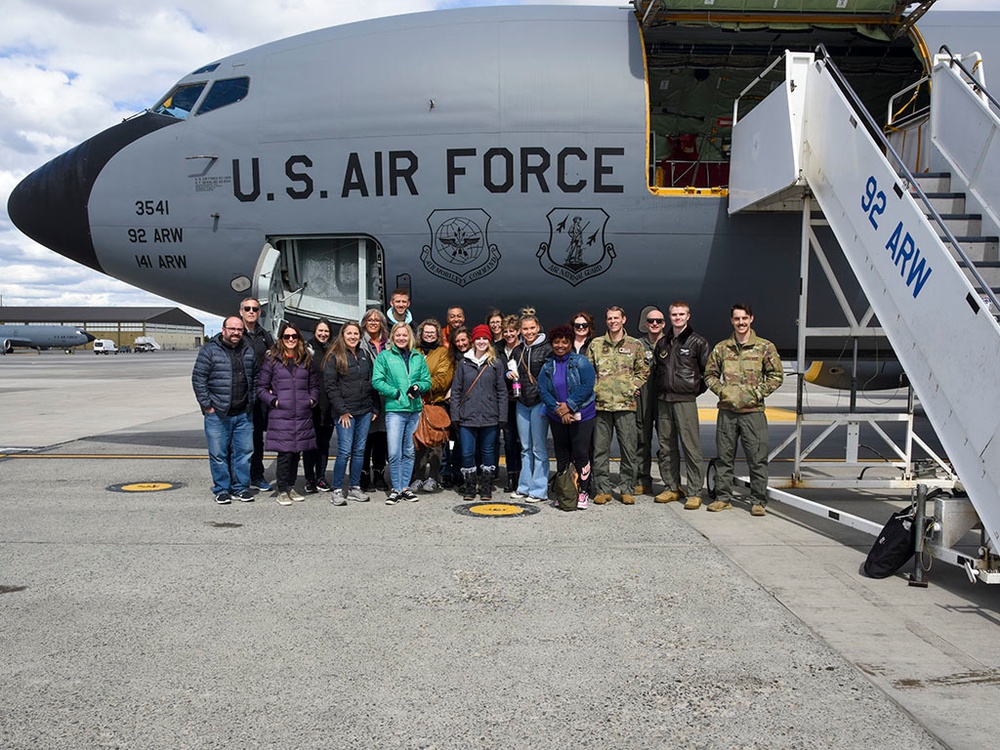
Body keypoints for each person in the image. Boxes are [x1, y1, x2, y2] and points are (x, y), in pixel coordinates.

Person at [704, 303, 784, 516]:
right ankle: (723, 498)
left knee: (757, 459)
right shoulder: (722, 348)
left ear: (751, 319)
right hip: (727, 412)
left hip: (753, 412)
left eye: (744, 318)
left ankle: (758, 501)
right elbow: (710, 374)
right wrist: (722, 392)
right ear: (732, 321)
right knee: (724, 458)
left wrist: (757, 394)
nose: (740, 322)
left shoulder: (765, 347)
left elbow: (776, 376)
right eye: (737, 319)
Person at [191, 315, 258, 504]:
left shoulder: (248, 350)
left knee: (244, 453)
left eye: (239, 329)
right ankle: (221, 489)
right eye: (232, 329)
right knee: (218, 454)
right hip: (218, 413)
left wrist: (250, 402)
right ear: (224, 330)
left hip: (243, 413)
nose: (236, 333)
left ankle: (240, 488)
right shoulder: (210, 351)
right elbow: (198, 379)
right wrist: (207, 406)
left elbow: (255, 378)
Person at [650, 302, 710, 510]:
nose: (677, 317)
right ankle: (672, 487)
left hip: (685, 401)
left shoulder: (698, 342)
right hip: (664, 400)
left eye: (681, 314)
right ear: (670, 317)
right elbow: (658, 370)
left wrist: (693, 390)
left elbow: (707, 373)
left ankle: (694, 492)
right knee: (666, 447)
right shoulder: (663, 343)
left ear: (688, 316)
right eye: (674, 314)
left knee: (690, 446)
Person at [587, 306, 649, 505]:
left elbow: (643, 370)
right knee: (600, 450)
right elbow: (588, 372)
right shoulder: (596, 345)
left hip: (626, 405)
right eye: (609, 318)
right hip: (601, 405)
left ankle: (626, 488)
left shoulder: (635, 345)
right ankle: (602, 489)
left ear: (624, 319)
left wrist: (632, 386)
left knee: (628, 449)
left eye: (616, 318)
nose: (613, 321)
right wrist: (595, 389)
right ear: (606, 321)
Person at [256, 322, 319, 506]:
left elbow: (314, 386)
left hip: (301, 414)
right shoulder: (273, 360)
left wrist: (311, 401)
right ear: (281, 339)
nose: (290, 339)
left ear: (299, 339)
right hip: (281, 415)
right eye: (287, 337)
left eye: (294, 336)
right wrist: (274, 401)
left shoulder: (305, 359)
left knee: (296, 452)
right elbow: (261, 387)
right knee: (284, 454)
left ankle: (290, 486)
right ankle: (282, 490)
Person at [371, 322, 431, 505]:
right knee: (394, 451)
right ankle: (395, 488)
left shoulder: (418, 357)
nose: (401, 338)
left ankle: (405, 487)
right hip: (395, 410)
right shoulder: (385, 357)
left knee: (409, 451)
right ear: (392, 337)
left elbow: (427, 381)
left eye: (404, 335)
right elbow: (377, 381)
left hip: (414, 410)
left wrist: (418, 386)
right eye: (398, 335)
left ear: (410, 337)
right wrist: (395, 392)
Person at [539, 325, 596, 510]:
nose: (560, 345)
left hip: (582, 415)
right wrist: (559, 411)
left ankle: (583, 491)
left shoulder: (581, 362)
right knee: (562, 455)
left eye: (565, 342)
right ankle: (566, 491)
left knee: (580, 453)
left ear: (571, 343)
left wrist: (569, 406)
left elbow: (587, 385)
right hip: (558, 417)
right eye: (557, 342)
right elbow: (543, 390)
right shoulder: (548, 366)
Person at [450, 324, 507, 501]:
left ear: (489, 341)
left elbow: (502, 391)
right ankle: (469, 485)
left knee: (488, 451)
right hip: (468, 415)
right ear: (473, 341)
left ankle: (486, 486)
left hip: (490, 415)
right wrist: (455, 416)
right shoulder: (463, 363)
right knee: (467, 452)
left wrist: (502, 416)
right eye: (478, 338)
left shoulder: (495, 363)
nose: (481, 341)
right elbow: (456, 391)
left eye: (484, 338)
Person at [323, 320, 375, 505]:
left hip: (365, 411)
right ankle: (337, 489)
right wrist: (342, 411)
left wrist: (374, 407)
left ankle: (354, 487)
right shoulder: (335, 356)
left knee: (359, 451)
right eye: (349, 334)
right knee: (344, 451)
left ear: (360, 336)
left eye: (355, 334)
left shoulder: (363, 355)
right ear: (343, 335)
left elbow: (371, 382)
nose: (353, 337)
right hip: (346, 413)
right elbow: (331, 387)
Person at [508, 309, 553, 503]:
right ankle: (524, 486)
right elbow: (513, 371)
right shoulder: (517, 350)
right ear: (520, 330)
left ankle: (539, 489)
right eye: (525, 329)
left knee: (539, 448)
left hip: (539, 402)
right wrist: (509, 375)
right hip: (522, 402)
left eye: (532, 328)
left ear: (538, 328)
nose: (528, 332)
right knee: (525, 447)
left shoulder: (547, 348)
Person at [412, 318, 453, 492]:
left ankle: (433, 477)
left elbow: (443, 379)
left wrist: (421, 386)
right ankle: (418, 477)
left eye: (432, 332)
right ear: (420, 333)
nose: (429, 335)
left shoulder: (443, 353)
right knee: (418, 442)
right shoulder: (414, 351)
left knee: (436, 442)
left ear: (437, 335)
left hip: (435, 403)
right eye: (426, 332)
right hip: (415, 404)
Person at [240, 297, 275, 491]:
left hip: (260, 396)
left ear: (259, 312)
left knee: (256, 439)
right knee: (240, 440)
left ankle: (257, 475)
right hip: (242, 395)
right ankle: (239, 478)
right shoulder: (237, 334)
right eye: (248, 308)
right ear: (241, 312)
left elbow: (272, 361)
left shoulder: (265, 336)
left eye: (255, 309)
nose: (251, 311)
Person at [634, 305, 665, 496]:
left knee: (666, 441)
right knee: (641, 440)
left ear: (663, 324)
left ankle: (671, 482)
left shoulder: (671, 344)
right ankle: (642, 480)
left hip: (663, 398)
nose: (654, 324)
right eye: (651, 321)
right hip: (643, 398)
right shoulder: (637, 345)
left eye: (658, 321)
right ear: (645, 324)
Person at [303, 319, 334, 494]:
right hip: (311, 405)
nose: (323, 334)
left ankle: (321, 477)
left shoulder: (332, 351)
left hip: (328, 406)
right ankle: (309, 479)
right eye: (320, 331)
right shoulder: (308, 351)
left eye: (326, 331)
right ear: (315, 332)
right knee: (309, 445)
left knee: (324, 444)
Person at [361, 309, 390, 491]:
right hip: (366, 396)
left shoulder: (389, 344)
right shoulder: (360, 341)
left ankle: (379, 472)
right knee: (366, 438)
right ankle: (363, 474)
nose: (373, 323)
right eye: (370, 320)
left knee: (381, 437)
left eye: (377, 320)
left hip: (385, 398)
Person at [440, 326, 471, 487]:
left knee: (460, 439)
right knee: (445, 438)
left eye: (463, 340)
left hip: (465, 403)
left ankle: (458, 470)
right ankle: (445, 471)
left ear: (469, 340)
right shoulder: (450, 357)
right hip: (448, 402)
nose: (461, 343)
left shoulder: (474, 356)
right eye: (457, 341)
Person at [498, 314, 522, 492]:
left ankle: (524, 475)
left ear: (518, 331)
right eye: (505, 331)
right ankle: (512, 475)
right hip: (505, 400)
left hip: (523, 399)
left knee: (525, 440)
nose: (508, 334)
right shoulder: (497, 348)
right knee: (509, 439)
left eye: (512, 331)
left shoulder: (523, 348)